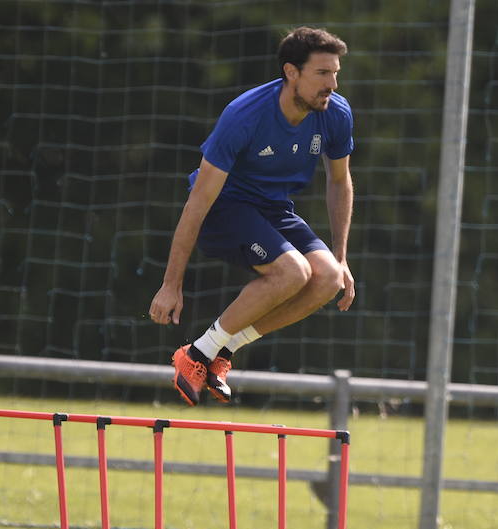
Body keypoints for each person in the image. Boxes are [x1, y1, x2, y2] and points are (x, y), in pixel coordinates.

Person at [149, 26, 356, 406]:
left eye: (336, 73)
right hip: (223, 209)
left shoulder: (335, 114)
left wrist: (341, 257)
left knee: (327, 279)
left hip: (275, 209)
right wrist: (170, 284)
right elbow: (198, 202)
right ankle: (196, 355)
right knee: (294, 272)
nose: (333, 84)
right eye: (323, 74)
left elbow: (340, 182)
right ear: (292, 72)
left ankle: (220, 351)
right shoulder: (244, 115)